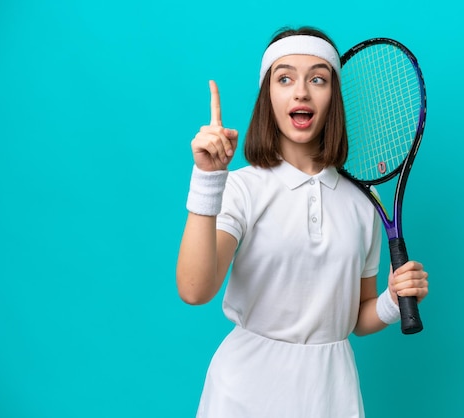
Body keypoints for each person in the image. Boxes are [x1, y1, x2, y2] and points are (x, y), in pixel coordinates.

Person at [176, 26, 429, 417]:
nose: (301, 92)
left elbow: (356, 318)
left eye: (317, 78)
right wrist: (208, 179)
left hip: (332, 392)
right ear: (268, 97)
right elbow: (195, 289)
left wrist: (393, 301)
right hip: (245, 392)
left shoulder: (362, 203)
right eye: (284, 78)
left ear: (333, 98)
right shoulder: (242, 189)